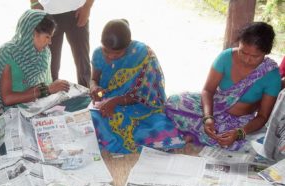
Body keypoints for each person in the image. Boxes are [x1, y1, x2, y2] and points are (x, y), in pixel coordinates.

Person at [166, 22, 281, 151]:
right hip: (213, 107)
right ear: (239, 44)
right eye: (243, 52)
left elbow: (262, 117)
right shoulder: (226, 57)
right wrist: (208, 117)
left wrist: (239, 133)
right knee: (174, 102)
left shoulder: (271, 75)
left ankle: (194, 133)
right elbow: (208, 91)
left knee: (231, 141)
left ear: (267, 52)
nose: (247, 59)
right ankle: (200, 131)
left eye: (255, 56)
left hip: (238, 121)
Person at [89, 19, 184, 154]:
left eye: (117, 54)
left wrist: (116, 101)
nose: (110, 55)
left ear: (128, 47)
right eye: (106, 51)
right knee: (92, 119)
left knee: (160, 128)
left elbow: (147, 95)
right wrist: (94, 87)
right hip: (105, 101)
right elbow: (94, 78)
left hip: (137, 104)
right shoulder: (98, 53)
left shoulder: (143, 55)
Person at [0, 10, 70, 111]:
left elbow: (46, 84)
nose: (50, 42)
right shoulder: (8, 53)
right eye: (47, 37)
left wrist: (55, 88)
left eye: (51, 37)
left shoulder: (44, 53)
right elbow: (7, 99)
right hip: (12, 111)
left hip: (37, 107)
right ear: (33, 33)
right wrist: (48, 89)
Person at [30, 0, 93, 87]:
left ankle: (88, 97)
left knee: (83, 63)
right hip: (48, 11)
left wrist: (87, 6)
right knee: (50, 65)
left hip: (77, 10)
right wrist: (34, 2)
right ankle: (51, 97)